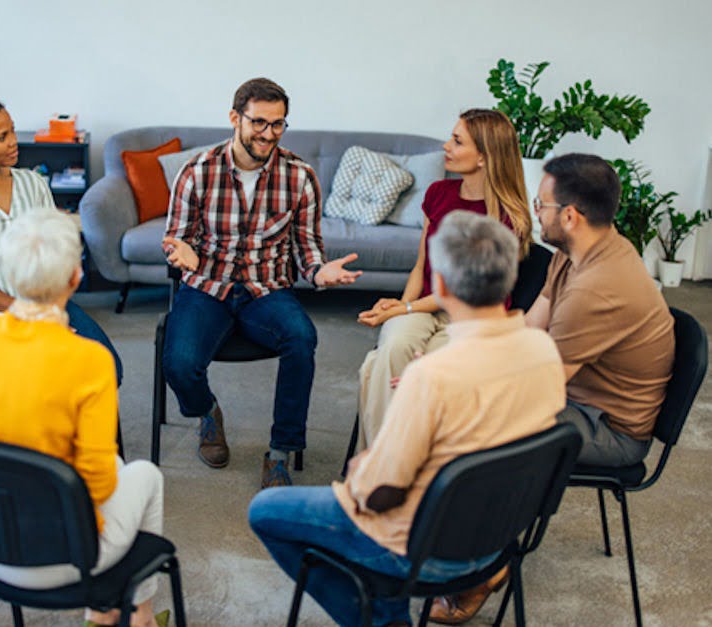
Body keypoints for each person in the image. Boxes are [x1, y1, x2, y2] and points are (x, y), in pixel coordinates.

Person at [249, 211, 565, 626]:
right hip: (497, 542)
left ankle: (380, 618)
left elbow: (377, 493)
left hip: (426, 549)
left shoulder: (431, 377)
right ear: (508, 281)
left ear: (443, 286)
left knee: (265, 511)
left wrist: (366, 466)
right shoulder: (543, 352)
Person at [429, 154, 675, 624]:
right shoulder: (574, 253)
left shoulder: (599, 287)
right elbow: (531, 323)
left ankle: (485, 566)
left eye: (541, 205)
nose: (533, 213)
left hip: (611, 429)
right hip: (577, 396)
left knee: (487, 424)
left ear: (569, 215)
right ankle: (462, 541)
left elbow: (537, 388)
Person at [0, 210, 167, 627]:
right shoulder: (88, 360)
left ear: (7, 277)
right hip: (62, 556)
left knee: (107, 465)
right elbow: (96, 483)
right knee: (146, 474)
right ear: (75, 278)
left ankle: (110, 613)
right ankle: (136, 617)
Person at [161, 77, 361, 489]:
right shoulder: (196, 172)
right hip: (207, 286)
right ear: (235, 118)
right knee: (178, 363)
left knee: (301, 338)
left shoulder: (299, 176)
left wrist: (319, 272)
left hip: (266, 289)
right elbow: (178, 238)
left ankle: (280, 452)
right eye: (259, 123)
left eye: (278, 124)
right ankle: (207, 412)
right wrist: (184, 253)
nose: (268, 134)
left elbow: (307, 247)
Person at [355, 109, 532, 451]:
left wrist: (403, 308)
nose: (445, 146)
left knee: (405, 371)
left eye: (457, 141)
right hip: (423, 304)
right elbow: (422, 264)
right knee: (392, 349)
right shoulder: (438, 193)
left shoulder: (507, 217)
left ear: (484, 156)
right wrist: (401, 308)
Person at [0, 92, 122, 384]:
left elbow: (53, 248)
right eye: (2, 137)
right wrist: (22, 309)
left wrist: (49, 308)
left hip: (45, 304)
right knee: (24, 386)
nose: (13, 141)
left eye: (12, 130)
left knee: (106, 369)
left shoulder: (33, 183)